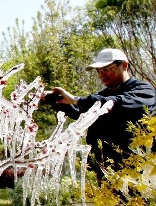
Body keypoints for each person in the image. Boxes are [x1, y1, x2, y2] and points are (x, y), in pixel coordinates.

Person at [42, 48, 156, 184]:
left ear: (124, 65)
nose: (101, 75)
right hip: (105, 174)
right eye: (98, 71)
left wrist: (78, 100)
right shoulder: (103, 95)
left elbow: (118, 104)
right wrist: (56, 101)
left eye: (106, 69)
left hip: (136, 174)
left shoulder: (143, 90)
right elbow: (81, 114)